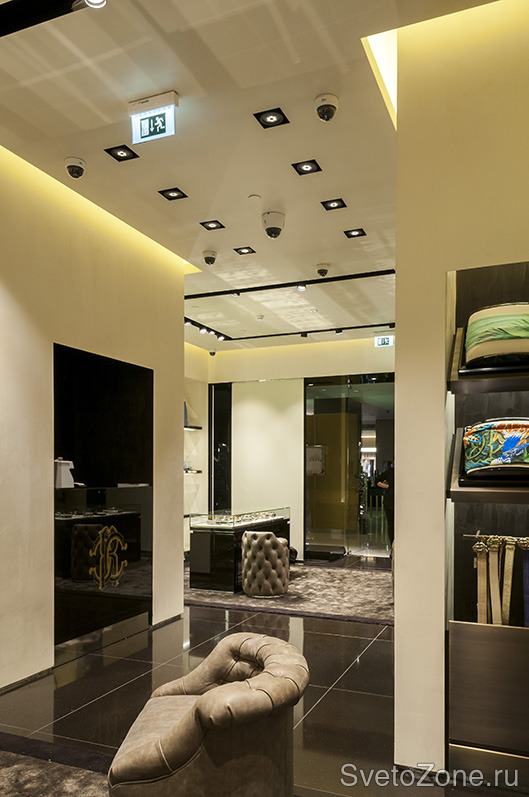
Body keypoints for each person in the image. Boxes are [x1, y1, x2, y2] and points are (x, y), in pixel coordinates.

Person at [377, 462, 394, 546]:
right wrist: (387, 486)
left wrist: (387, 487)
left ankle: (393, 545)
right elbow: (377, 480)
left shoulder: (391, 471)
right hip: (391, 500)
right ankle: (393, 545)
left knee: (392, 525)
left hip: (391, 499)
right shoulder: (391, 471)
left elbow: (377, 480)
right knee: (392, 524)